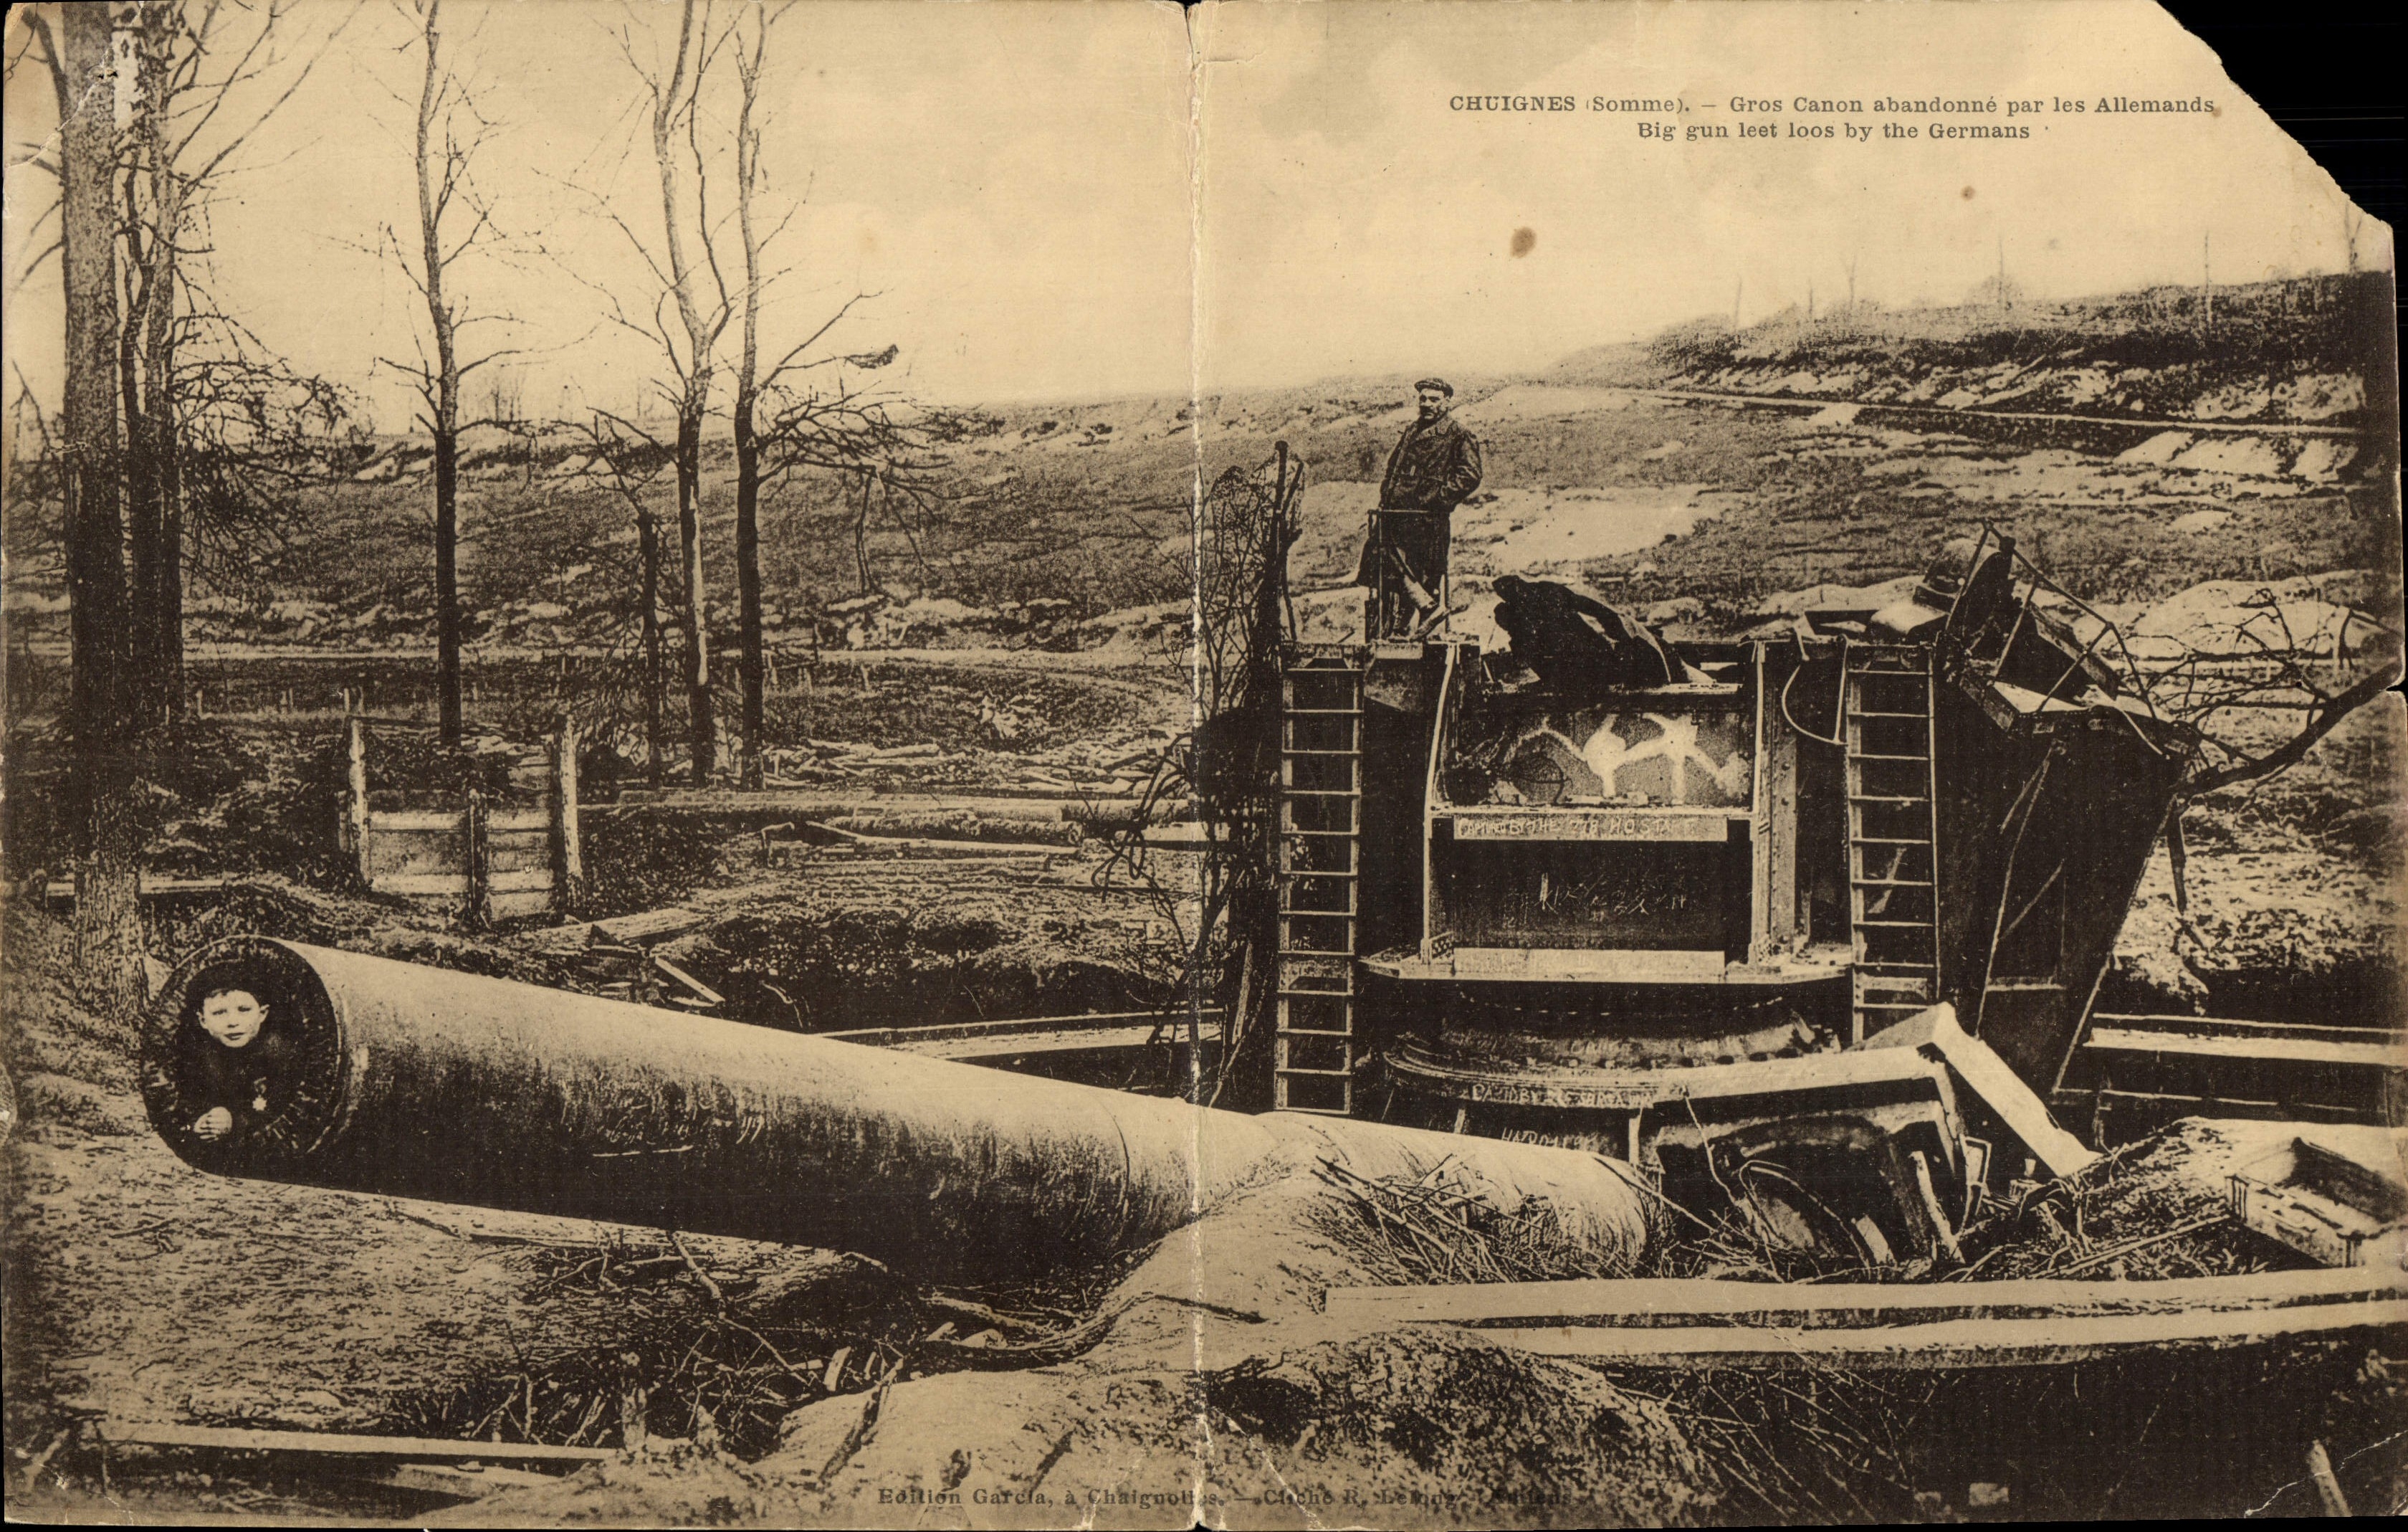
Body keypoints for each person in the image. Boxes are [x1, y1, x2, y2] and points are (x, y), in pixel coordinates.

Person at [1357, 377, 1484, 638]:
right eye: (1423, 399)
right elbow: (1394, 469)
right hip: (1397, 516)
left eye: (1434, 400)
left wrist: (1438, 499)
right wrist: (1387, 495)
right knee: (1384, 568)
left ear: (1448, 402)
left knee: (1420, 575)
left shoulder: (1458, 435)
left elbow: (1470, 475)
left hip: (1426, 522)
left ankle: (1421, 616)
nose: (1426, 404)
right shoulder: (1412, 431)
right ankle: (1407, 625)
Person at [151, 981, 300, 1146]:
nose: (232, 1022)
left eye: (244, 1010)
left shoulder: (280, 1057)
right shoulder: (198, 1057)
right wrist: (199, 1121)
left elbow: (284, 1113)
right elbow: (187, 1098)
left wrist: (234, 1123)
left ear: (262, 1014)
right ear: (203, 1020)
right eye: (219, 1013)